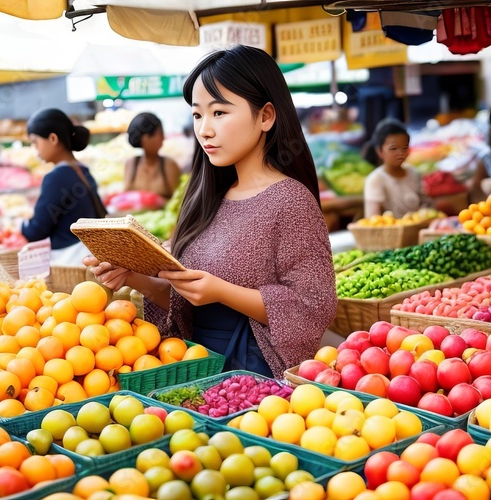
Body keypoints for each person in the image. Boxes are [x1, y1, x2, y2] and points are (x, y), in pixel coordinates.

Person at [84, 45, 337, 378]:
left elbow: (314, 305)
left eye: (219, 112)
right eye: (197, 114)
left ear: (266, 116)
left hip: (255, 385)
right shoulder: (206, 198)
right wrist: (134, 277)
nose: (204, 129)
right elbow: (186, 301)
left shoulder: (290, 201)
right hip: (193, 372)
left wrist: (223, 292)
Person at [21, 108, 107, 265]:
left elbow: (37, 231)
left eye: (35, 142)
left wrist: (22, 224)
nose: (35, 149)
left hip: (69, 261)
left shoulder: (56, 178)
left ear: (53, 138)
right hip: (88, 254)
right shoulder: (82, 170)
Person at [362, 119, 427, 218]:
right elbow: (372, 220)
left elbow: (424, 205)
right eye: (393, 148)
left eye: (404, 148)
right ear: (380, 151)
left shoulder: (414, 173)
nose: (400, 153)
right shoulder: (375, 180)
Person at [125, 112, 182, 199]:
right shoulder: (131, 163)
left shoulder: (169, 165)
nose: (163, 138)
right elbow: (125, 197)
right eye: (159, 134)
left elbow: (177, 200)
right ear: (144, 138)